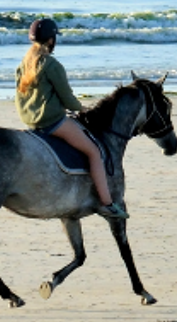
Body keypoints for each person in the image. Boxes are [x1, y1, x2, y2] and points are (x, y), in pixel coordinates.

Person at [16, 18, 127, 219]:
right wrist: (80, 108)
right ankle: (107, 203)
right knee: (94, 152)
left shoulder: (24, 64)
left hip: (30, 122)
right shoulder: (51, 64)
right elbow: (67, 98)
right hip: (53, 122)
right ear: (51, 40)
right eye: (54, 38)